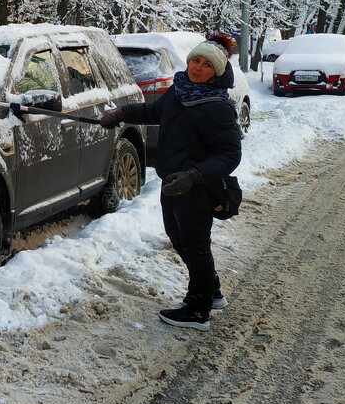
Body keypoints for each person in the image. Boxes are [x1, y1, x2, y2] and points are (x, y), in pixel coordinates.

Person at [100, 36, 242, 331]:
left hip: (196, 187)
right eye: (195, 61)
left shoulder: (218, 106)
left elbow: (229, 155)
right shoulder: (180, 91)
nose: (198, 68)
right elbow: (155, 112)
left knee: (195, 245)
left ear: (216, 71)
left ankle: (198, 309)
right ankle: (211, 290)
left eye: (206, 65)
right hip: (172, 181)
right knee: (178, 238)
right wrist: (121, 114)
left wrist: (195, 176)